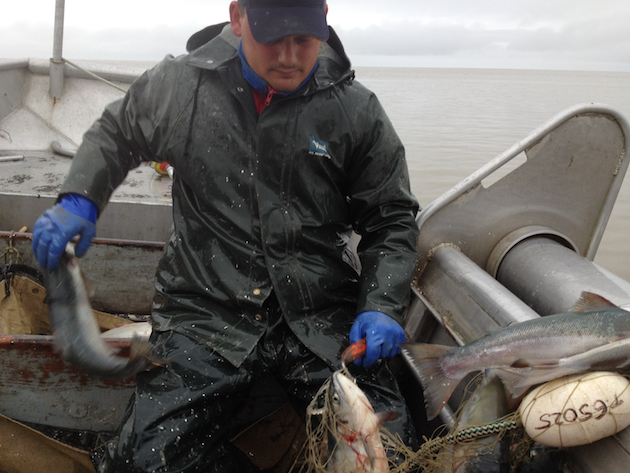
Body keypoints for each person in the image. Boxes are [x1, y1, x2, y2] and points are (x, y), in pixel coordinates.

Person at [32, 0, 421, 471]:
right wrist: (80, 198)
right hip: (206, 309)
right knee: (145, 462)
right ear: (238, 18)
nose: (289, 56)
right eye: (273, 38)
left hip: (320, 314)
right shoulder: (182, 87)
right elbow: (117, 133)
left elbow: (391, 217)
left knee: (393, 456)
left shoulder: (354, 109)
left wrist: (381, 304)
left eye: (303, 39)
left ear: (323, 21)